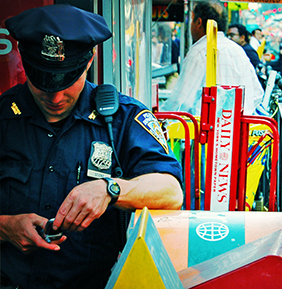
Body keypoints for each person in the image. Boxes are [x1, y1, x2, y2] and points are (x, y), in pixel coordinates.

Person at [0, 5, 183, 289]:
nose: (56, 96)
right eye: (43, 82)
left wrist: (110, 189)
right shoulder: (3, 116)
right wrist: (4, 227)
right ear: (24, 62)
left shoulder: (122, 117)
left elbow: (171, 191)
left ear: (89, 61)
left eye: (67, 80)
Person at [160, 1, 263, 116]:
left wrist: (158, 118)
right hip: (239, 130)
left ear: (198, 22)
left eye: (191, 20)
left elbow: (180, 102)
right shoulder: (238, 50)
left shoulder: (199, 51)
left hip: (203, 131)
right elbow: (257, 94)